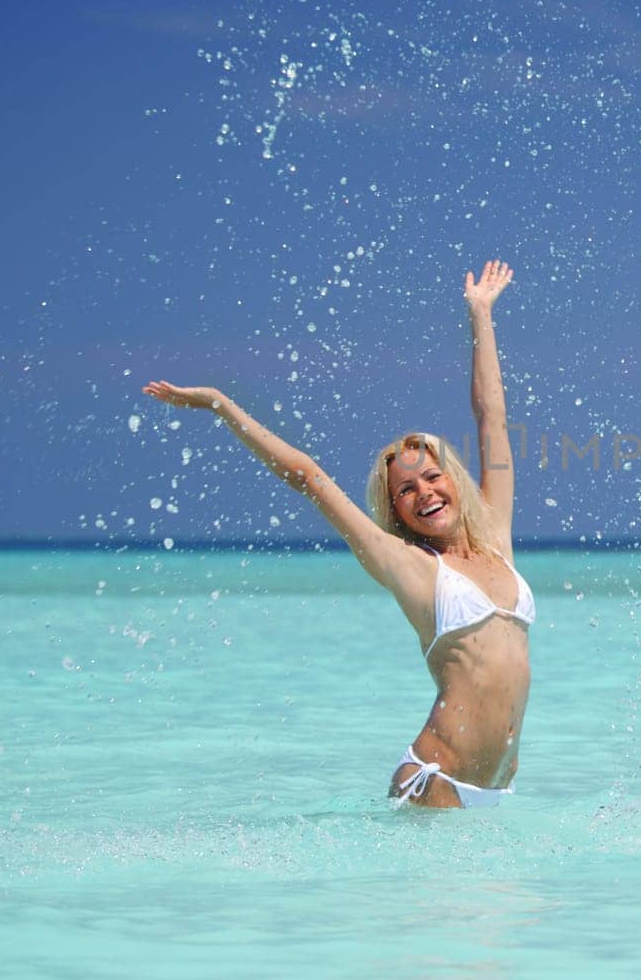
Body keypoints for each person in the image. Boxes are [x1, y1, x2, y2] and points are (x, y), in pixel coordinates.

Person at [143, 260, 532, 808]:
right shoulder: (412, 567)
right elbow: (308, 476)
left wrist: (481, 315)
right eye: (405, 491)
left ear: (453, 478)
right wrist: (220, 405)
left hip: (495, 791)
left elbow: (491, 416)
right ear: (396, 512)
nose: (423, 492)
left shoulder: (496, 539)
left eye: (431, 475)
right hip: (435, 782)